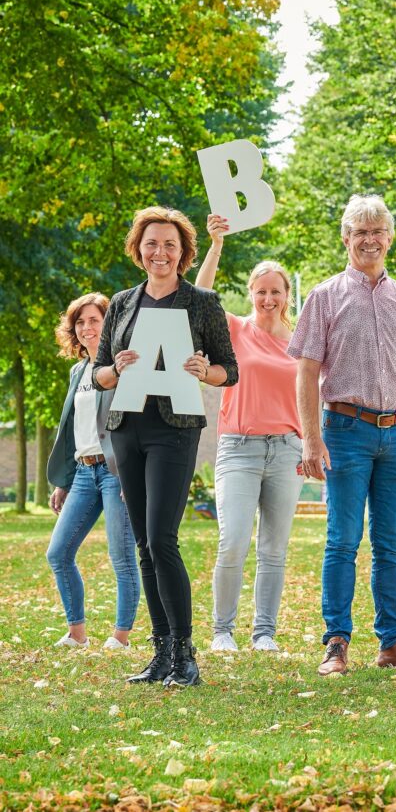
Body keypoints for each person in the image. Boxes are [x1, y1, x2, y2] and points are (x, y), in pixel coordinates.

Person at [289, 193, 396, 676]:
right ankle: (336, 642)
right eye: (361, 232)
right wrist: (311, 439)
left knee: (391, 543)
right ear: (346, 239)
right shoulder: (324, 296)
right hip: (346, 431)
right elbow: (306, 370)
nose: (370, 239)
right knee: (342, 540)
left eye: (378, 232)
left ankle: (393, 643)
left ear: (390, 238)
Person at [93, 206, 238, 686]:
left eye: (170, 244)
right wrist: (117, 368)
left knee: (162, 540)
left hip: (174, 429)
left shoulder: (202, 302)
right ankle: (160, 655)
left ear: (184, 253)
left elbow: (228, 370)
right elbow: (99, 373)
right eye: (152, 243)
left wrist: (205, 371)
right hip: (126, 426)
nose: (160, 252)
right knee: (143, 546)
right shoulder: (121, 303)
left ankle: (185, 653)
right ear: (139, 249)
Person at [196, 214, 304, 654]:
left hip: (286, 451)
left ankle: (264, 633)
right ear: (251, 295)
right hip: (238, 448)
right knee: (234, 540)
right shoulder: (237, 330)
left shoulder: (300, 341)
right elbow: (201, 297)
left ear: (286, 295)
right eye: (260, 291)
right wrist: (216, 245)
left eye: (275, 291)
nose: (268, 298)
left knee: (274, 549)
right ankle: (223, 630)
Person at [46, 293, 140, 650]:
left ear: (109, 323)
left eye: (94, 319)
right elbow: (73, 428)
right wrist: (65, 482)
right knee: (59, 552)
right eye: (80, 322)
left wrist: (132, 473)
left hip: (116, 472)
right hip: (84, 473)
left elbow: (134, 421)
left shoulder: (123, 366)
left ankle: (121, 637)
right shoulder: (77, 371)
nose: (87, 327)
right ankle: (77, 633)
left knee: (121, 556)